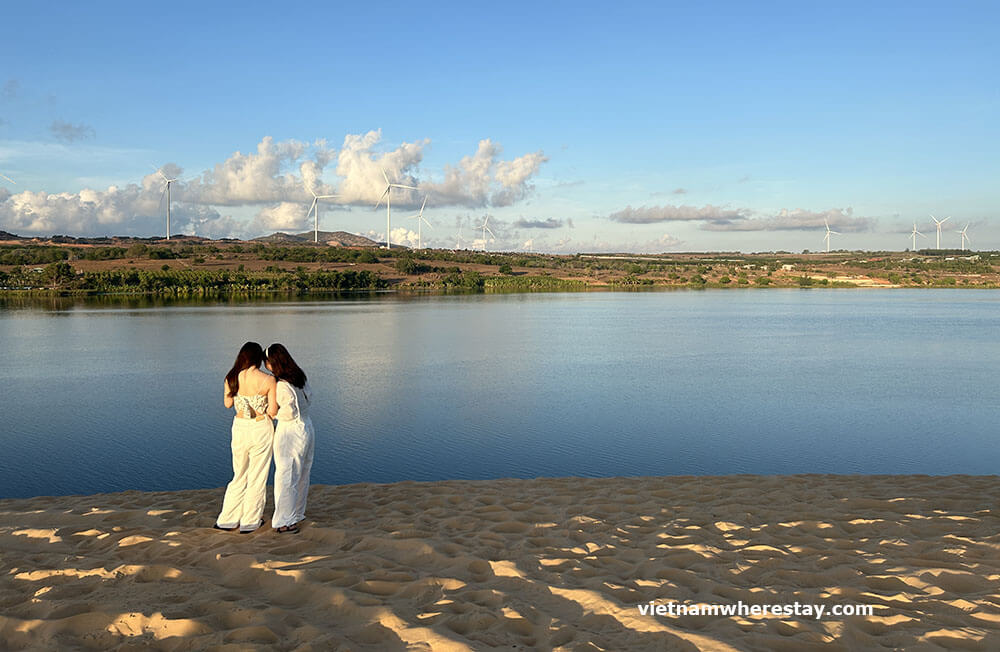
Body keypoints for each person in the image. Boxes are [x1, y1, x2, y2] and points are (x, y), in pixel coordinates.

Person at [215, 341, 276, 534]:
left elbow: (227, 404)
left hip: (239, 428)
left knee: (239, 474)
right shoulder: (268, 380)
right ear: (258, 359)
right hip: (260, 428)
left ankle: (227, 519)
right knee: (257, 476)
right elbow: (273, 411)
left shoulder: (231, 377)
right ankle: (250, 521)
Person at [265, 343, 315, 534]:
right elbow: (309, 399)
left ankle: (284, 521)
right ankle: (296, 513)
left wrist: (272, 414)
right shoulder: (299, 376)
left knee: (286, 474)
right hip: (308, 426)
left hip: (290, 431)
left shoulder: (282, 385)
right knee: (302, 472)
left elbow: (288, 412)